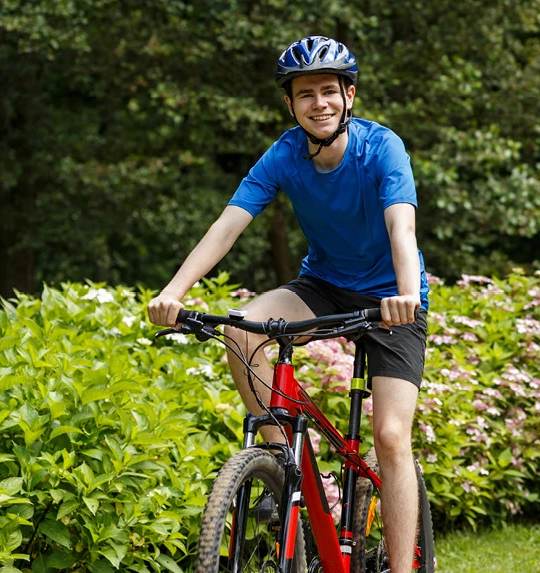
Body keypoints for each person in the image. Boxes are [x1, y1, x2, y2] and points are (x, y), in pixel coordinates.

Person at [146, 36, 428, 569]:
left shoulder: (381, 147)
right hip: (323, 284)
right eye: (305, 95)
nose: (318, 103)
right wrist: (172, 293)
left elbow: (401, 223)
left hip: (395, 297)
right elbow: (228, 225)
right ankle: (285, 466)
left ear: (349, 96)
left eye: (329, 91)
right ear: (290, 104)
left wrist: (407, 293)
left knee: (390, 438)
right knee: (244, 327)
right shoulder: (285, 154)